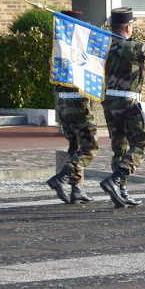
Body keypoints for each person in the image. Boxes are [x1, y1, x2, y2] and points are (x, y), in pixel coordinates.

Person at [99, 7, 145, 208]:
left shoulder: (105, 45)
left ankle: (119, 191)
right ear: (129, 27)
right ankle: (116, 180)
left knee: (119, 148)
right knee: (141, 144)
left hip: (109, 102)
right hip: (129, 103)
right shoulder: (134, 47)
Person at [45, 10, 97, 205]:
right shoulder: (78, 51)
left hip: (62, 104)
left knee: (74, 147)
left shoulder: (57, 50)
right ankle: (62, 178)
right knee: (90, 146)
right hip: (78, 104)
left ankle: (76, 189)